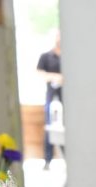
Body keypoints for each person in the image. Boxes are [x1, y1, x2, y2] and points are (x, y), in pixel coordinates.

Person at [37, 30, 62, 170]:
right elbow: (39, 73)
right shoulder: (46, 56)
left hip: (66, 97)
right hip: (51, 95)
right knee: (49, 127)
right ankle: (47, 160)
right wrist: (54, 77)